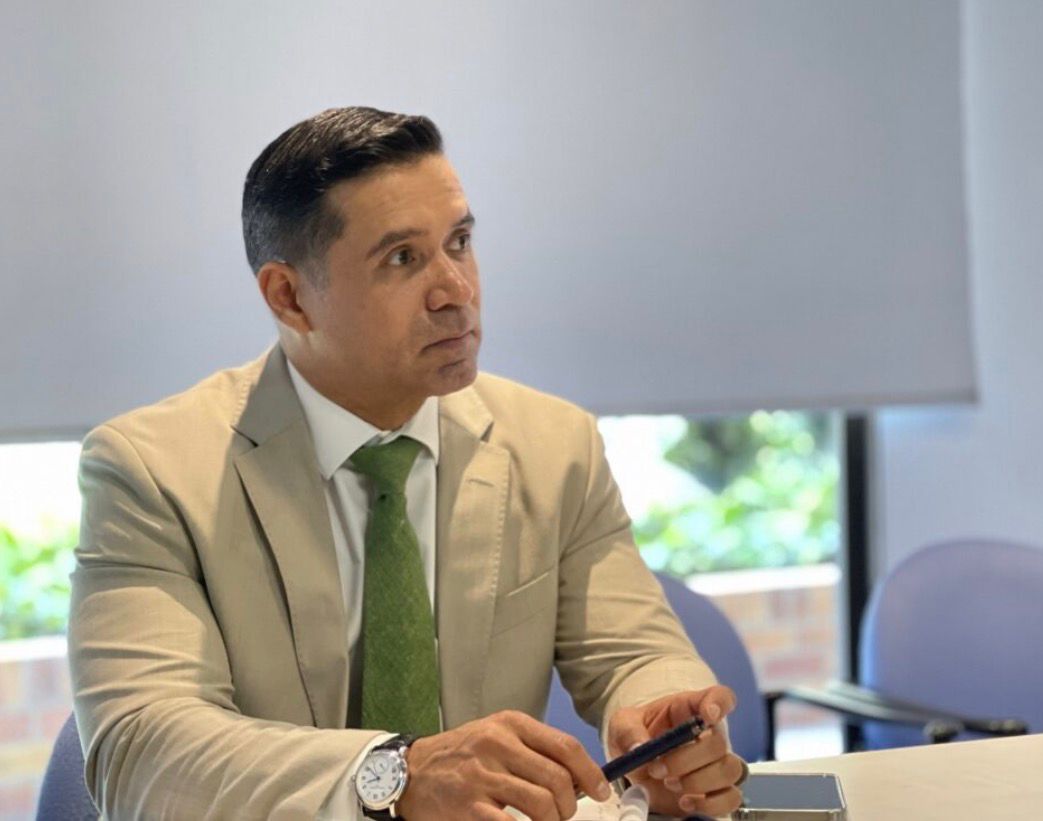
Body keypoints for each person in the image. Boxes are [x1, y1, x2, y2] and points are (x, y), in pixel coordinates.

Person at [68, 106, 747, 820]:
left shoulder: (554, 443)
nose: (457, 291)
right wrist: (395, 775)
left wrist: (665, 721)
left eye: (460, 242)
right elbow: (142, 751)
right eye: (402, 258)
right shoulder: (152, 471)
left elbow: (636, 652)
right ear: (289, 297)